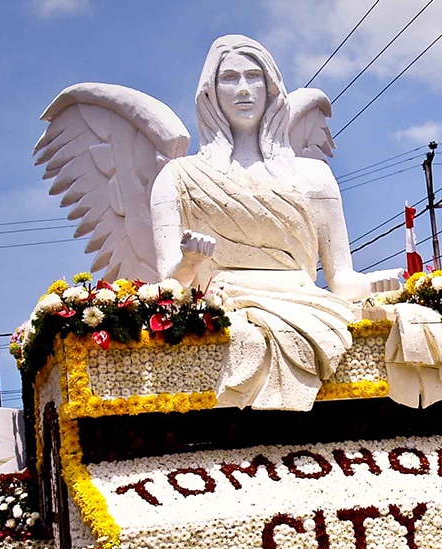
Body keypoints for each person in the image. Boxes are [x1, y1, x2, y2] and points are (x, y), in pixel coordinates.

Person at [149, 35, 378, 411]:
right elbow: (167, 285)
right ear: (210, 91)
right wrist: (189, 261)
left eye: (253, 77)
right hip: (224, 307)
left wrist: (384, 285)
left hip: (309, 302)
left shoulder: (314, 177)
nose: (243, 89)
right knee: (245, 339)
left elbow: (341, 279)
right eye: (230, 78)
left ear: (271, 86)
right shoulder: (178, 177)